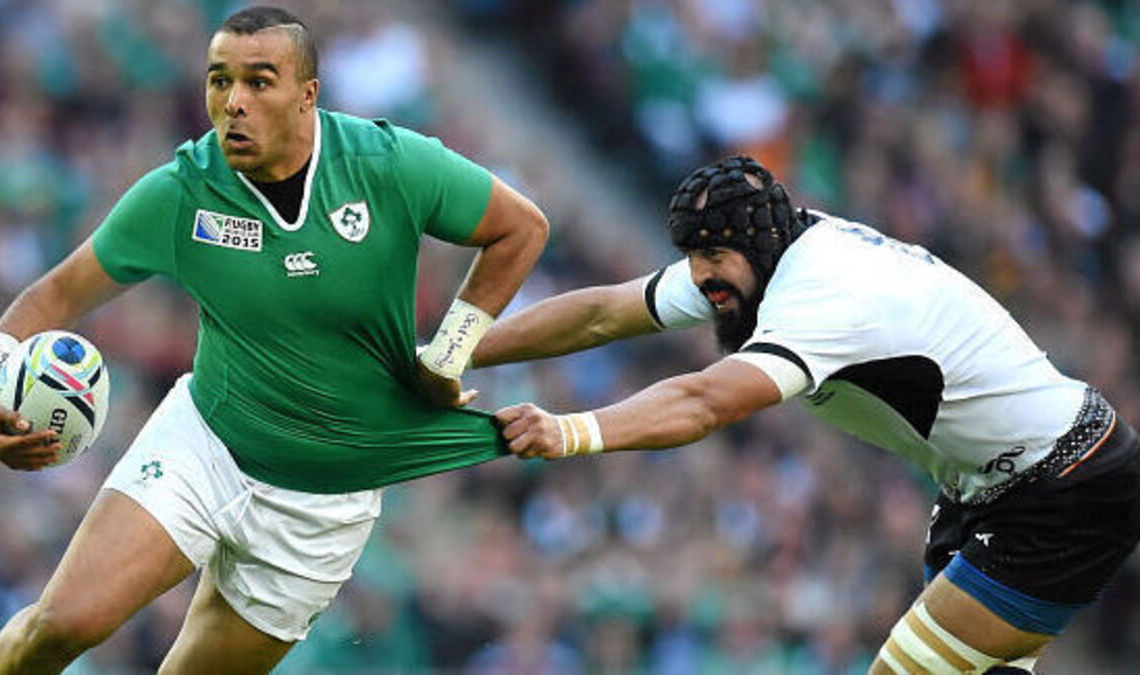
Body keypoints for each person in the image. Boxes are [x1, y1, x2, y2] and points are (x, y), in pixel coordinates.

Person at [0, 6, 548, 674]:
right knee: (61, 626)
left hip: (322, 503)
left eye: (259, 82)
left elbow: (520, 228)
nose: (233, 102)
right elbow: (56, 293)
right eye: (219, 80)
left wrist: (448, 353)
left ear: (307, 95)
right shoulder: (183, 192)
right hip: (206, 445)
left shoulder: (386, 165)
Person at [481, 155, 1140, 674]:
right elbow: (602, 313)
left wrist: (569, 430)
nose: (701, 277)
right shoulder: (757, 257)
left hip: (1063, 483)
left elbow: (705, 402)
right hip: (994, 488)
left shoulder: (821, 295)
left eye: (713, 258)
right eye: (693, 257)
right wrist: (454, 350)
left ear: (759, 242)